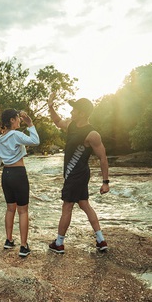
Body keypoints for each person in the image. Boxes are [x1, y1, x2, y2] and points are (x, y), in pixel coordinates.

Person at [47, 92, 110, 253]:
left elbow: (103, 157)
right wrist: (50, 106)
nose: (71, 112)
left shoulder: (92, 134)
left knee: (67, 206)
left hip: (77, 175)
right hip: (75, 175)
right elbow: (56, 121)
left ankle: (59, 243)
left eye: (74, 109)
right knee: (84, 204)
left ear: (82, 113)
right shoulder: (71, 125)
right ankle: (101, 240)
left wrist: (105, 182)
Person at [0, 109, 40, 257]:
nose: (19, 121)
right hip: (18, 174)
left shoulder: (0, 138)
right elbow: (36, 141)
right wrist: (30, 124)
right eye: (18, 118)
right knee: (22, 211)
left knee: (10, 209)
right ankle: (23, 247)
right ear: (12, 120)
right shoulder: (16, 135)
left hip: (6, 175)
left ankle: (9, 240)